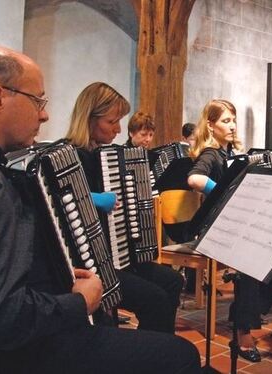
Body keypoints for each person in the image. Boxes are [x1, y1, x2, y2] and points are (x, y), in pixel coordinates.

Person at [0, 47, 200, 374]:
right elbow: (3, 318)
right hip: (9, 357)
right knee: (180, 355)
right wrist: (78, 302)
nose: (44, 115)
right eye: (38, 101)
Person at [187, 99, 272, 363]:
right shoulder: (211, 153)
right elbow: (194, 178)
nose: (231, 126)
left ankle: (245, 311)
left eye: (233, 120)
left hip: (236, 226)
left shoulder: (232, 155)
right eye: (225, 121)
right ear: (210, 125)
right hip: (215, 230)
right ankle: (243, 331)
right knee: (251, 261)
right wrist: (221, 193)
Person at [66, 82, 184, 334]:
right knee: (155, 299)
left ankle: (155, 351)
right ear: (89, 118)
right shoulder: (69, 155)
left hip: (119, 255)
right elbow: (57, 198)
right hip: (89, 264)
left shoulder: (109, 154)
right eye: (112, 122)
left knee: (173, 281)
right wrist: (90, 198)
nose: (118, 129)